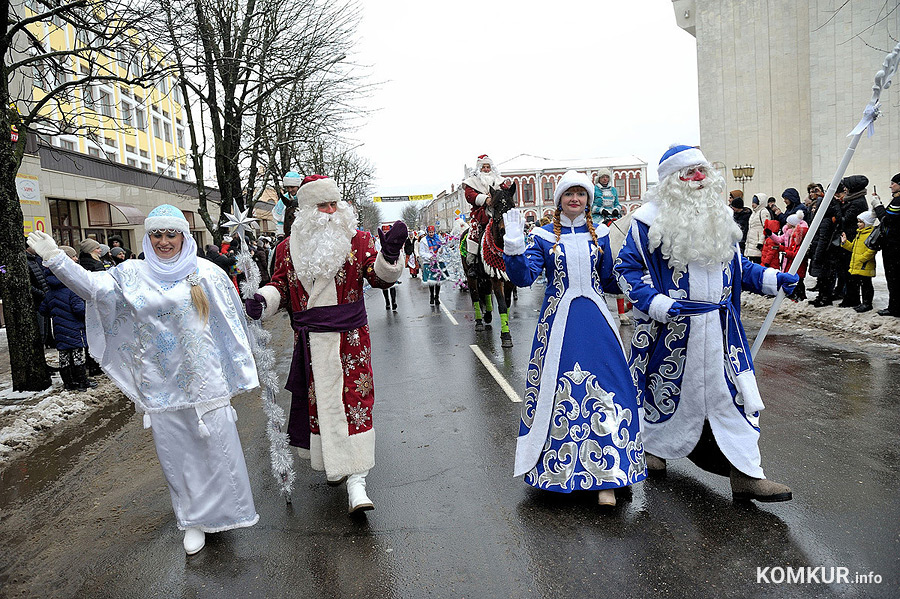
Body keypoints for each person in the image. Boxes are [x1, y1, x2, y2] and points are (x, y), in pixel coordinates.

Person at [27, 205, 260, 555]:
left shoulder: (207, 272)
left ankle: (227, 512)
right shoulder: (130, 272)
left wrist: (240, 366)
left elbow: (231, 323)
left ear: (183, 235)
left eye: (171, 234)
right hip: (161, 380)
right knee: (177, 453)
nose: (164, 241)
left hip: (205, 378)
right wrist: (55, 259)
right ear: (148, 237)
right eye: (156, 234)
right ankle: (192, 519)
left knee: (217, 448)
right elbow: (92, 288)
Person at [614, 145, 799, 503]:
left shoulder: (720, 217)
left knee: (735, 402)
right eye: (689, 173)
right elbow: (625, 271)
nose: (699, 179)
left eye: (702, 171)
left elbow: (738, 267)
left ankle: (747, 475)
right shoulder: (647, 222)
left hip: (720, 333)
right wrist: (656, 303)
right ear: (671, 181)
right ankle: (655, 451)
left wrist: (773, 279)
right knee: (661, 397)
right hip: (671, 333)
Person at [244, 175, 407, 513]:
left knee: (355, 402)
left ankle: (357, 481)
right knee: (319, 405)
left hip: (351, 340)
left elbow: (378, 279)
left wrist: (389, 256)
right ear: (306, 210)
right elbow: (280, 287)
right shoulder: (286, 249)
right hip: (310, 340)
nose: (332, 211)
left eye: (335, 203)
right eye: (323, 205)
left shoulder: (358, 240)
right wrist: (263, 299)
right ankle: (333, 462)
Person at [502, 170, 645, 507]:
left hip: (597, 322)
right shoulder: (541, 238)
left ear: (588, 201)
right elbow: (523, 277)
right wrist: (514, 248)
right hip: (559, 327)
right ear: (559, 201)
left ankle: (610, 474)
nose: (575, 200)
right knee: (559, 389)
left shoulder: (602, 234)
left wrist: (637, 269)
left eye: (581, 195)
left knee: (611, 387)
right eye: (569, 194)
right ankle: (560, 470)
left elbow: (610, 280)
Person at [38, 248, 94, 391]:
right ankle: (82, 381)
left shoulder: (50, 293)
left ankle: (68, 383)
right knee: (78, 356)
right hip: (75, 330)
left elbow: (43, 310)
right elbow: (79, 309)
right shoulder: (72, 290)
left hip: (59, 330)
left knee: (64, 357)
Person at [835, 175, 870, 307]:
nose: (844, 189)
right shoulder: (853, 200)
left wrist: (836, 207)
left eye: (846, 186)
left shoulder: (857, 202)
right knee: (847, 271)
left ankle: (852, 298)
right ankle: (850, 297)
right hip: (848, 239)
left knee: (851, 272)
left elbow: (845, 220)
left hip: (851, 239)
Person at [871, 173, 900, 316]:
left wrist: (877, 204)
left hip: (894, 246)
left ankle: (895, 308)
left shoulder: (898, 200)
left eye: (893, 183)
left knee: (893, 277)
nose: (890, 186)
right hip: (894, 245)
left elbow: (886, 218)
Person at [838, 210, 878, 312]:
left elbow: (872, 250)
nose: (858, 224)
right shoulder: (859, 234)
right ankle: (862, 302)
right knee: (860, 284)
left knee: (866, 285)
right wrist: (845, 243)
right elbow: (853, 248)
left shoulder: (870, 234)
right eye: (858, 221)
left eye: (861, 222)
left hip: (865, 265)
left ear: (867, 223)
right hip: (858, 264)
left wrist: (861, 258)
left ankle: (867, 303)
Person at [419, 225, 445, 305]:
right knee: (431, 281)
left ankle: (437, 297)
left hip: (438, 262)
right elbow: (421, 252)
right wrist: (429, 257)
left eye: (432, 232)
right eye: (430, 232)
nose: (431, 234)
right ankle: (431, 296)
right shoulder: (423, 241)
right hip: (428, 262)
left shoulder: (438, 239)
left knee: (438, 281)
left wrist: (441, 251)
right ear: (427, 232)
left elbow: (443, 251)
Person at [744, 194, 768, 264]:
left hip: (758, 245)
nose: (753, 204)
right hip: (751, 244)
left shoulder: (764, 212)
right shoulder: (754, 213)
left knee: (758, 263)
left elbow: (766, 228)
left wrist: (760, 242)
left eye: (755, 202)